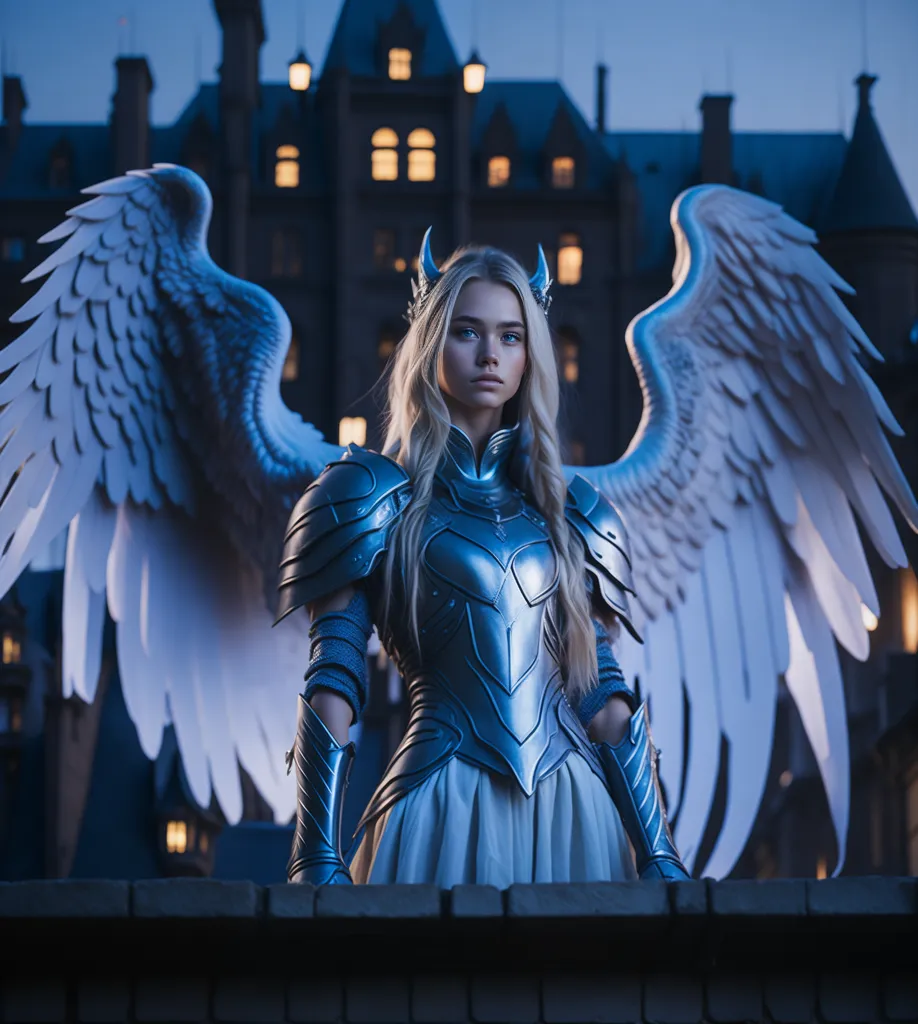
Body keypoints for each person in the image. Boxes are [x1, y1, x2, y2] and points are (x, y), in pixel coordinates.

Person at [276, 231, 689, 886]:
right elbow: (334, 675)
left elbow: (600, 691)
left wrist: (660, 853)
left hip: (572, 808)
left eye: (510, 335)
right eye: (468, 331)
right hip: (440, 797)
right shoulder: (367, 496)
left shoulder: (572, 511)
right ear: (432, 341)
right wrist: (314, 858)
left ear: (531, 356)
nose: (490, 354)